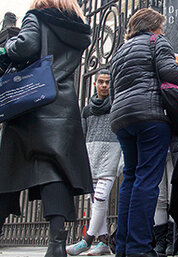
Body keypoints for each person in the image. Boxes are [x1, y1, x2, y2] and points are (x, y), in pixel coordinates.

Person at [0, 0, 93, 257]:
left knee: (7, 170)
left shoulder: (36, 17)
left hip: (30, 104)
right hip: (62, 106)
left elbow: (25, 48)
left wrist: (6, 46)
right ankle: (56, 244)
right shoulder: (78, 31)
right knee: (55, 172)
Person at [109, 8, 178, 257]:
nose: (163, 31)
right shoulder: (157, 41)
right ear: (154, 26)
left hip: (122, 119)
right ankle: (139, 248)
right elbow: (169, 73)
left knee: (131, 179)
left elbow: (113, 91)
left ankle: (123, 247)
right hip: (150, 116)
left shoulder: (119, 53)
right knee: (147, 180)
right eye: (161, 26)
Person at [66, 69, 122, 256]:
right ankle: (103, 241)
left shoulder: (116, 105)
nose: (105, 85)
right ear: (95, 84)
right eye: (101, 82)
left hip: (111, 154)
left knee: (100, 197)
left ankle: (87, 239)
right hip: (92, 155)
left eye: (107, 82)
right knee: (95, 200)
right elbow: (82, 135)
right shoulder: (87, 109)